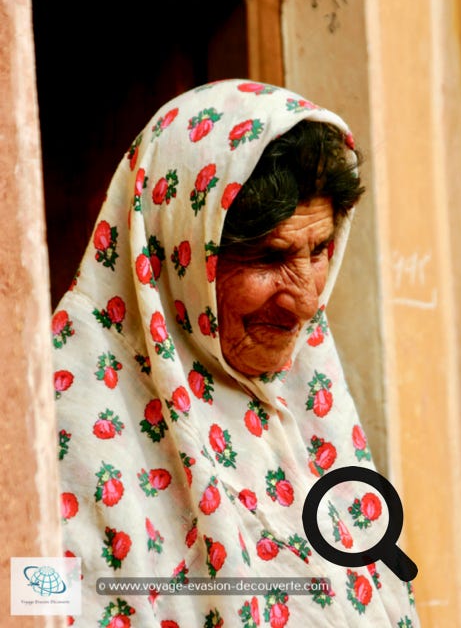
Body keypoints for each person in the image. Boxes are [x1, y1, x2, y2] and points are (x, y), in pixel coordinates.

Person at [53, 79, 419, 626]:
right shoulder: (65, 410)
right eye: (270, 256)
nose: (309, 300)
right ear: (179, 252)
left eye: (320, 250)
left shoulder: (298, 378)